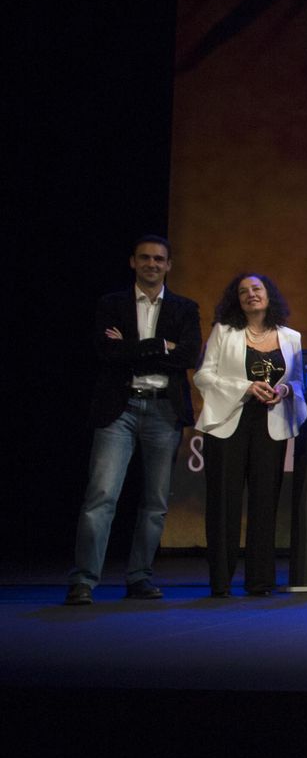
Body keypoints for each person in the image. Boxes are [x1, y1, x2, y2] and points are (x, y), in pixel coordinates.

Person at [68, 235, 202, 605]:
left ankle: (140, 577)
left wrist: (134, 347)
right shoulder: (111, 304)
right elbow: (107, 353)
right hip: (120, 407)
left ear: (169, 265)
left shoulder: (185, 308)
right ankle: (83, 580)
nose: (151, 264)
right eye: (144, 258)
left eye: (159, 259)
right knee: (101, 497)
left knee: (155, 501)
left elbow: (188, 355)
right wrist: (162, 346)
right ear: (132, 262)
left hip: (163, 409)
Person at [193, 272, 307, 597]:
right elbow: (203, 376)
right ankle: (221, 582)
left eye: (256, 289)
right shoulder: (224, 332)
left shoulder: (291, 337)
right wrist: (245, 387)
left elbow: (299, 382)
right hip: (228, 422)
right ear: (237, 300)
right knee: (224, 503)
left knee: (264, 503)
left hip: (270, 424)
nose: (250, 294)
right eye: (243, 291)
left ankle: (260, 581)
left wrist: (284, 389)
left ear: (269, 295)